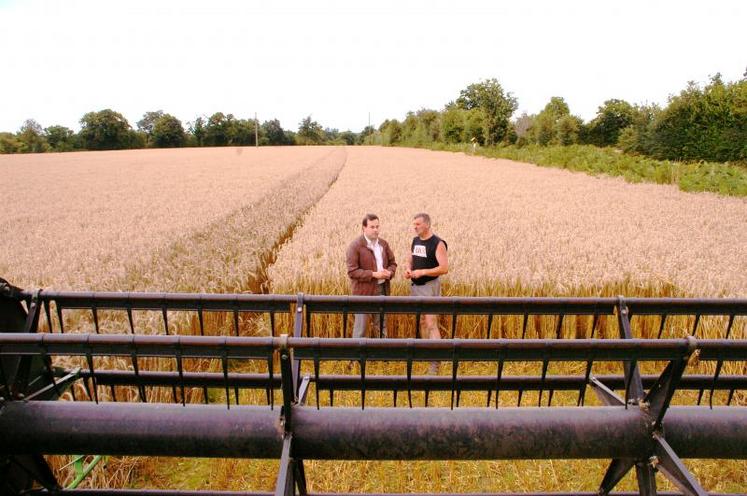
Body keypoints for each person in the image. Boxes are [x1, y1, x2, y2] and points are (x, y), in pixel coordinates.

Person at [404, 212, 448, 373]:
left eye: (418, 224)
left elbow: (444, 268)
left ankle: (435, 362)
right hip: (415, 286)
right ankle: (425, 353)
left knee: (431, 323)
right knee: (422, 321)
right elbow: (411, 258)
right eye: (414, 224)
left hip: (429, 286)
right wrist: (408, 269)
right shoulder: (415, 241)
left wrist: (422, 272)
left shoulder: (438, 243)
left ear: (427, 225)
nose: (414, 227)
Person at [346, 213, 397, 339]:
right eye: (372, 227)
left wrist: (389, 272)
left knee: (381, 326)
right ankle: (357, 358)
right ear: (364, 228)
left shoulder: (383, 244)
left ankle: (382, 356)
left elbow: (393, 263)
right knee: (361, 328)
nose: (376, 230)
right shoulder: (355, 246)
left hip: (382, 289)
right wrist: (374, 274)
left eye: (377, 227)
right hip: (363, 292)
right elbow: (352, 272)